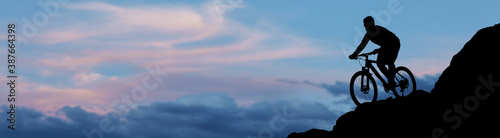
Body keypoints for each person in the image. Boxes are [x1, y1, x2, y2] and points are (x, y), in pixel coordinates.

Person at [349, 16, 400, 89]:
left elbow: (388, 42)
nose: (368, 28)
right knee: (381, 63)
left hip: (394, 43)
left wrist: (379, 50)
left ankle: (391, 80)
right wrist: (354, 54)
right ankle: (391, 79)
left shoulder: (380, 30)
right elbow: (362, 45)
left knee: (387, 62)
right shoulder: (368, 35)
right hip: (385, 46)